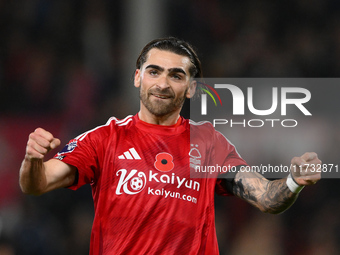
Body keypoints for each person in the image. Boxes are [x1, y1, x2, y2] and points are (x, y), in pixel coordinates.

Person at [19, 37, 321, 255]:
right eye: (154, 71)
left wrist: (294, 181)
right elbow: (37, 183)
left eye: (176, 75)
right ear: (137, 77)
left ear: (191, 88)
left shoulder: (209, 144)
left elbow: (268, 198)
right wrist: (33, 159)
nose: (163, 83)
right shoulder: (104, 138)